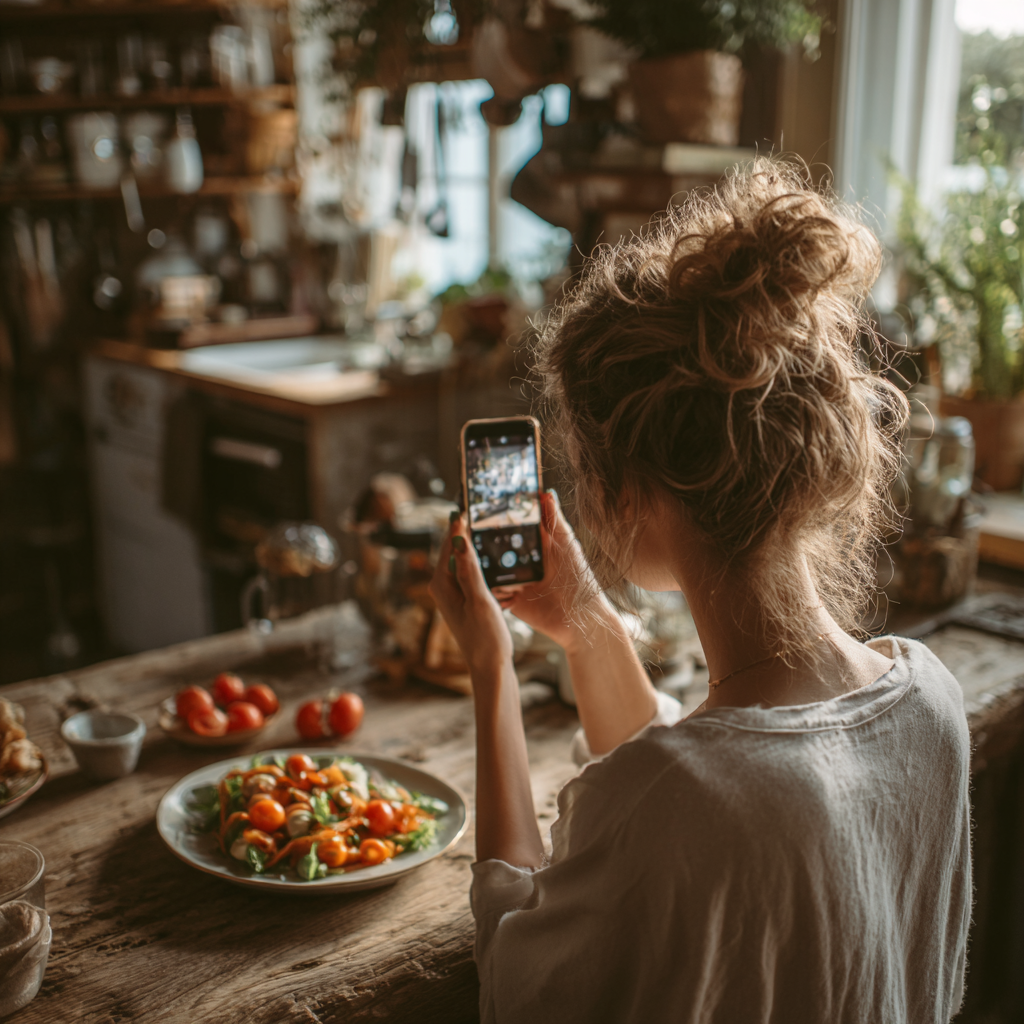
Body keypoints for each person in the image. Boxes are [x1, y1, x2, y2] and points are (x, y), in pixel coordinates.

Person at [429, 158, 971, 1023]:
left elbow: (515, 968)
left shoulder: (670, 806)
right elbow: (730, 776)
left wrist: (493, 671)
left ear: (625, 493)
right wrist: (586, 626)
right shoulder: (931, 704)